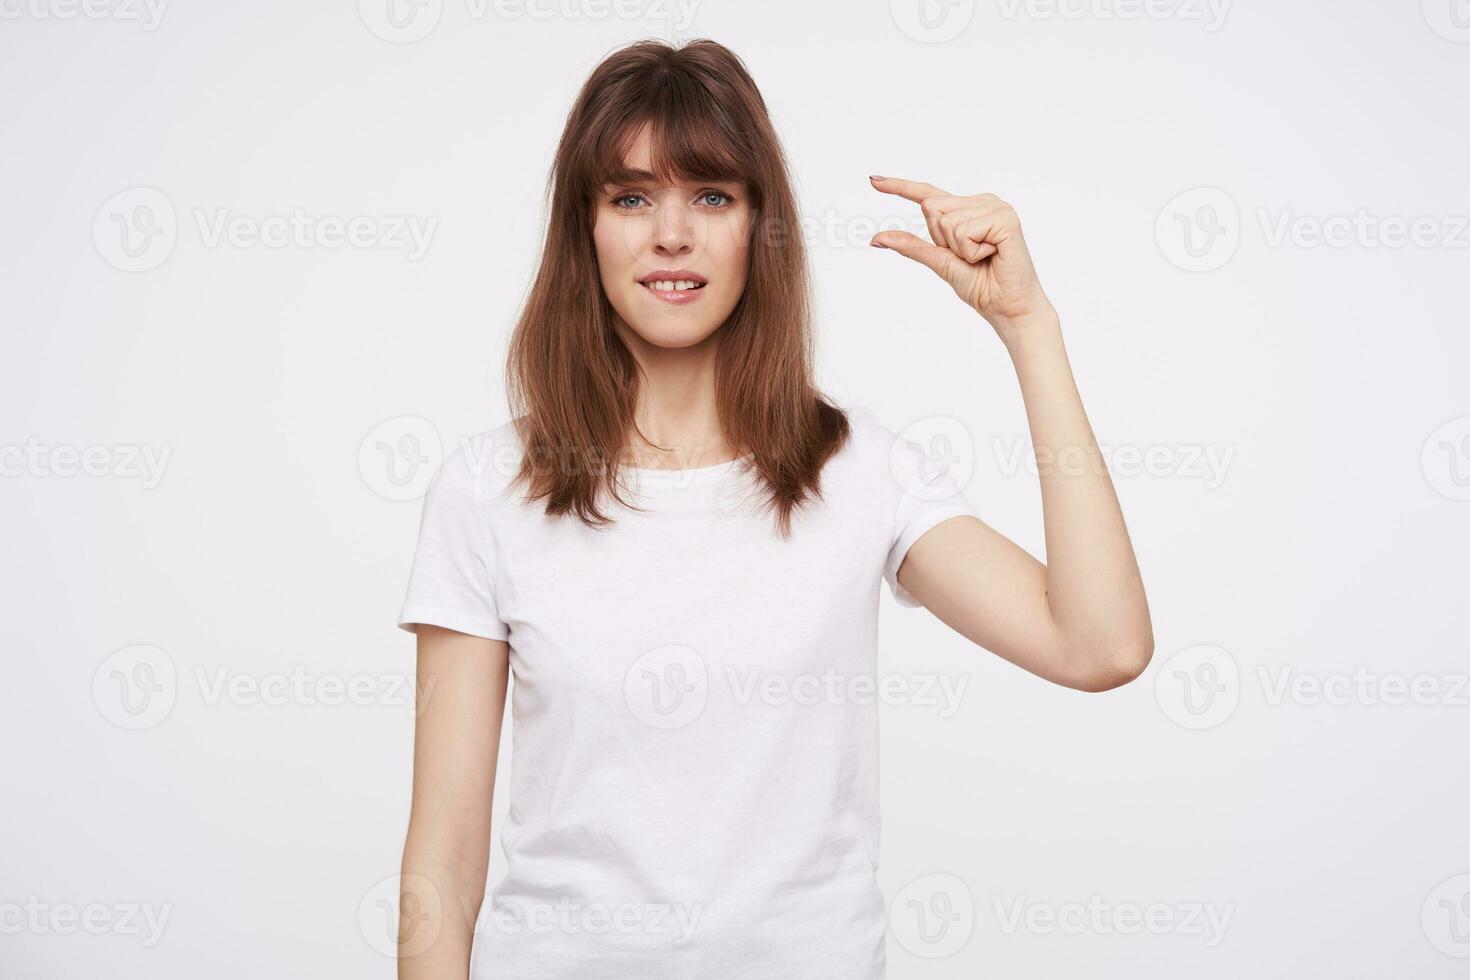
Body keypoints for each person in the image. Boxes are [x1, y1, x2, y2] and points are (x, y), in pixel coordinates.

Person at [394, 37, 1152, 980]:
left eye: (712, 196)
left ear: (761, 224)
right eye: (631, 197)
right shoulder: (486, 488)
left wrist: (1028, 327)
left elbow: (1102, 646)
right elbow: (444, 861)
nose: (672, 235)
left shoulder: (858, 470)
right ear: (582, 227)